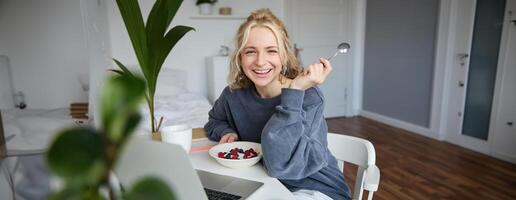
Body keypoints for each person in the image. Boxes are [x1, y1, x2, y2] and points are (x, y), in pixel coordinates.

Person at [204, 9, 351, 200]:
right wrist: (226, 132)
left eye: (271, 51)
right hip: (263, 184)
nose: (260, 61)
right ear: (240, 57)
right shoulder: (233, 95)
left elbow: (280, 165)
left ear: (284, 56)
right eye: (250, 51)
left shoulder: (309, 97)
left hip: (315, 189)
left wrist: (294, 92)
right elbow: (214, 121)